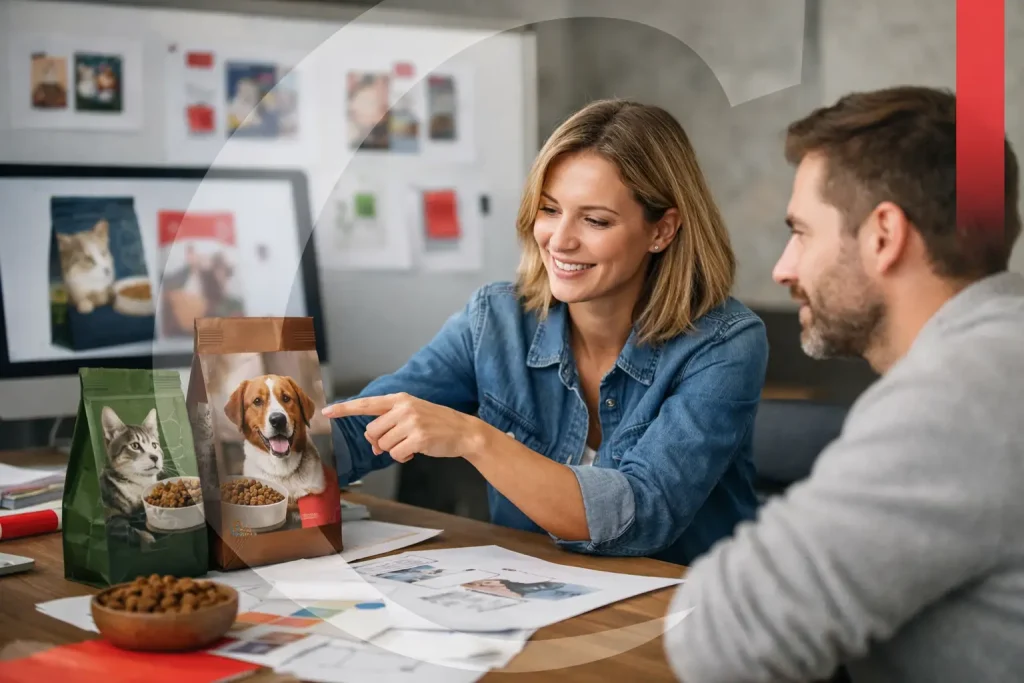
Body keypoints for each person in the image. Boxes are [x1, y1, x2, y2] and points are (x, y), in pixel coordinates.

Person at [664, 85, 1024, 683]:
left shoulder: (961, 396)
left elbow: (721, 636)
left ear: (884, 235)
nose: (783, 267)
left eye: (801, 232)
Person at [323, 99, 769, 566]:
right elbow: (359, 429)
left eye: (595, 220)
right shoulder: (496, 319)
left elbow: (641, 513)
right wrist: (261, 445)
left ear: (662, 231)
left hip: (686, 614)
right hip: (539, 598)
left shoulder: (724, 343)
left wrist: (477, 440)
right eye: (550, 209)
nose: (559, 239)